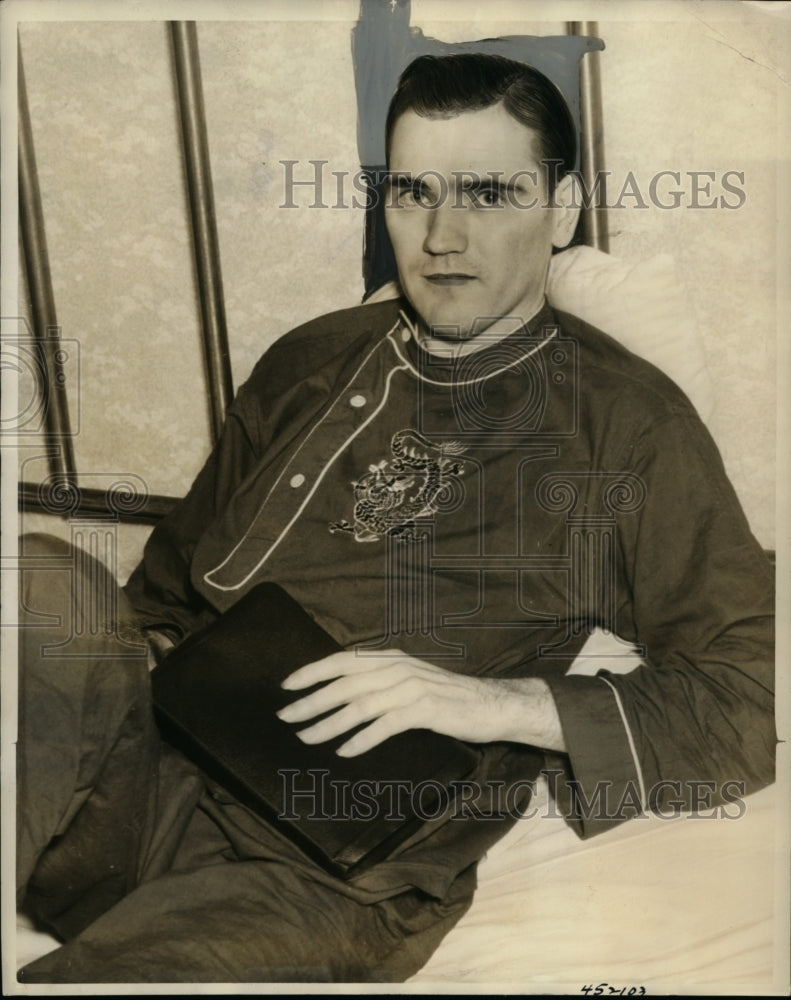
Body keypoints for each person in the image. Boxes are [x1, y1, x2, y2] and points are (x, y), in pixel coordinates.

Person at [16, 53, 775, 984]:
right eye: (413, 192)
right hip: (139, 796)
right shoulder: (312, 357)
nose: (443, 236)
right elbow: (162, 597)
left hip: (324, 872)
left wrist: (488, 702)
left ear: (563, 211)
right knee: (45, 578)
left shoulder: (628, 425)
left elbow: (746, 703)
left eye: (489, 193)